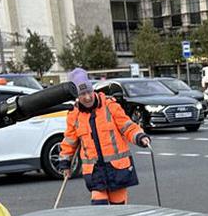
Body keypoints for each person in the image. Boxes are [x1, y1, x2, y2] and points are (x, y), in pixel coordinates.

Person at [57, 68, 151, 206]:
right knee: (98, 206)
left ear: (93, 90)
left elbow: (127, 126)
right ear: (77, 96)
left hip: (117, 169)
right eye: (82, 94)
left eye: (89, 92)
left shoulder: (110, 106)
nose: (87, 97)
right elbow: (69, 141)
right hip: (95, 172)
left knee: (118, 210)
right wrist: (65, 163)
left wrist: (139, 137)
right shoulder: (74, 115)